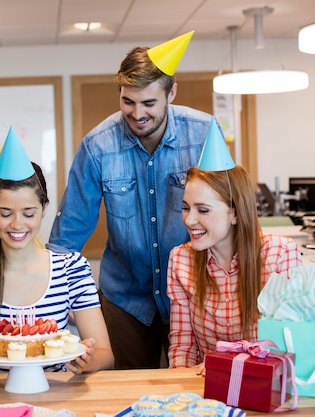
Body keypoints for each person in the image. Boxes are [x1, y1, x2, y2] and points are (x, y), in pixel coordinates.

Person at [48, 31, 215, 369]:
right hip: (125, 299)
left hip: (196, 293)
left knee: (196, 390)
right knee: (122, 391)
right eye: (128, 101)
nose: (137, 113)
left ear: (171, 93)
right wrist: (48, 303)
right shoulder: (98, 146)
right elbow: (68, 235)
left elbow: (228, 214)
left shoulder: (203, 134)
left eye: (149, 103)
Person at [0, 127, 114, 375]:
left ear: (43, 209)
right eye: (5, 213)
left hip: (54, 393)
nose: (17, 224)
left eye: (29, 213)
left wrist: (86, 361)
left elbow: (105, 355)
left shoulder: (70, 268)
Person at [167, 125, 302, 373]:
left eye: (203, 210)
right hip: (207, 391)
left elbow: (291, 347)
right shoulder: (180, 260)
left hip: (265, 389)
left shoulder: (280, 254)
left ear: (235, 214)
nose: (188, 220)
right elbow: (182, 348)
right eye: (186, 207)